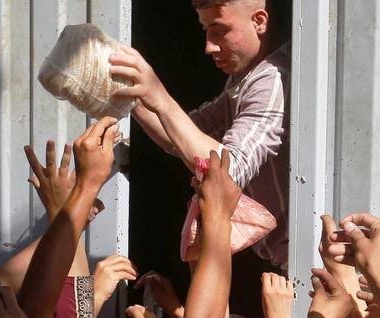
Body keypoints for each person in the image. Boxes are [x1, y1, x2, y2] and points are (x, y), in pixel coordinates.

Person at [110, 0, 292, 269]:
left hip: (311, 264)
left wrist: (159, 97)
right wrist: (132, 96)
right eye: (205, 30)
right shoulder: (246, 78)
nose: (209, 46)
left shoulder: (273, 79)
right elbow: (182, 137)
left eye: (219, 30)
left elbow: (227, 173)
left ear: (259, 21)